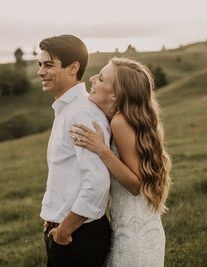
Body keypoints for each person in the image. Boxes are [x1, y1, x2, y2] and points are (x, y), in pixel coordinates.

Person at [70, 57, 172, 266]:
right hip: (136, 227)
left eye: (100, 78)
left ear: (115, 94)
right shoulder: (122, 119)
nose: (92, 79)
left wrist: (101, 149)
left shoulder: (120, 121)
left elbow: (136, 185)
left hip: (135, 235)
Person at [38, 35, 112, 267]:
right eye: (39, 65)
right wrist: (53, 216)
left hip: (78, 235)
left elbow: (97, 184)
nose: (41, 71)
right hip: (66, 230)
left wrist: (64, 229)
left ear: (73, 68)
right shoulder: (67, 109)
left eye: (49, 65)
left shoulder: (81, 114)